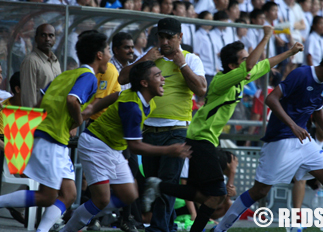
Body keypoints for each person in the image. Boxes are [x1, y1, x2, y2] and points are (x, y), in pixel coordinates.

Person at [142, 25, 304, 232]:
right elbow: (253, 65)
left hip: (206, 139)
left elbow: (263, 65)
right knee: (217, 193)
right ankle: (164, 191)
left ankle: (159, 187)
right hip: (199, 138)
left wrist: (290, 52)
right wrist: (266, 37)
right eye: (244, 59)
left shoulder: (240, 78)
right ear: (231, 65)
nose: (249, 63)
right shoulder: (221, 81)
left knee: (203, 194)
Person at [205, 48, 323, 232]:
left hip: (303, 139)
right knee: (259, 191)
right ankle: (220, 229)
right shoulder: (301, 74)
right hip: (280, 139)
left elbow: (317, 108)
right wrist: (292, 125)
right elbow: (271, 99)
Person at [59, 61, 192, 232]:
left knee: (130, 196)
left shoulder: (140, 99)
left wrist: (87, 112)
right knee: (101, 200)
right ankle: (69, 227)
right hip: (96, 145)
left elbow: (115, 96)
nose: (163, 79)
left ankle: (84, 213)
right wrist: (169, 150)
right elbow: (135, 147)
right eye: (158, 76)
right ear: (144, 83)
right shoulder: (132, 108)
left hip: (113, 148)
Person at [0, 31, 111, 232]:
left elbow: (38, 104)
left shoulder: (66, 74)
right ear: (99, 55)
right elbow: (72, 100)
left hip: (50, 137)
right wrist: (77, 122)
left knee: (69, 194)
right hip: (50, 139)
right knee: (47, 196)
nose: (110, 55)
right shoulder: (88, 77)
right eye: (108, 50)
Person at [118, 17, 206, 232]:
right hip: (148, 130)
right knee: (153, 184)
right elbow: (122, 78)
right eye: (161, 37)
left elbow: (202, 89)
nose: (165, 41)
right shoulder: (150, 56)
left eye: (170, 37)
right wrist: (145, 59)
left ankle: (157, 229)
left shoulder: (191, 59)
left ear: (180, 37)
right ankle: (169, 227)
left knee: (166, 183)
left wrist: (181, 64)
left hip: (177, 130)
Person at [20, 24, 61, 108]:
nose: (47, 39)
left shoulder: (55, 61)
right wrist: (32, 118)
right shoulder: (31, 61)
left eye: (51, 36)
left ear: (55, 39)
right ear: (36, 39)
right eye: (43, 35)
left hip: (53, 116)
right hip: (38, 117)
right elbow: (28, 96)